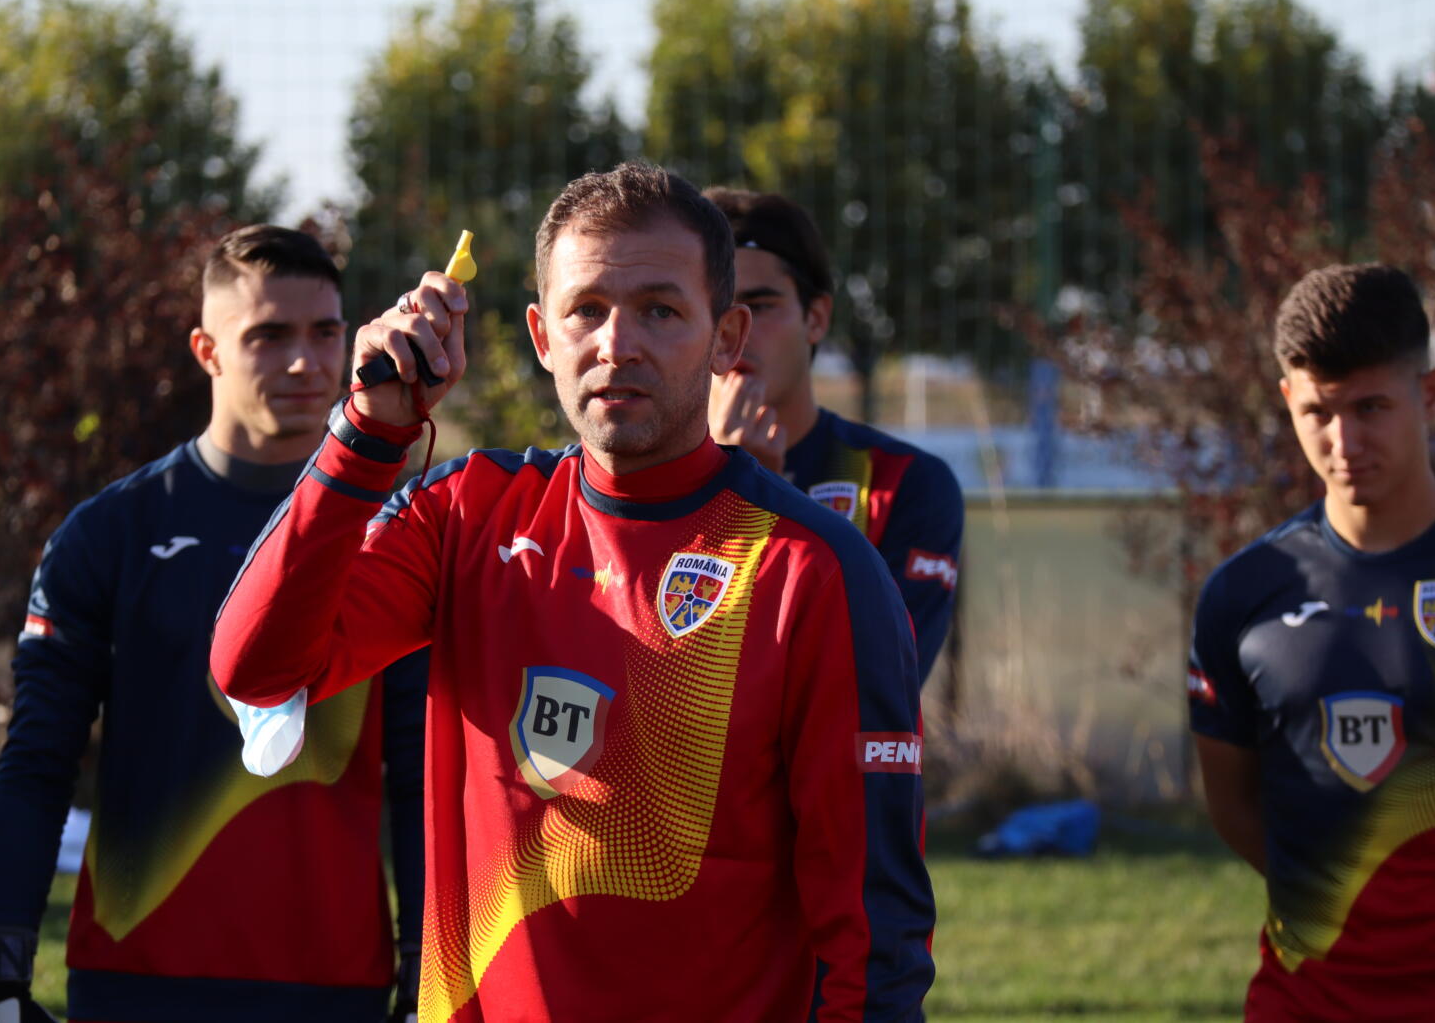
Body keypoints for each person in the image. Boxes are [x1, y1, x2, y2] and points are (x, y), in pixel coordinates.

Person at [211, 162, 935, 1022]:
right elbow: (256, 667)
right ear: (542, 335)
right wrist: (366, 434)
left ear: (726, 338)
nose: (616, 343)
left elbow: (874, 935)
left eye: (660, 311)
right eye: (586, 309)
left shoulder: (813, 570)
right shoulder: (464, 513)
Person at [0, 226, 426, 1023]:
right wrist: (1, 976)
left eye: (325, 332)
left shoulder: (395, 534)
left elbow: (419, 775)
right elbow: (39, 761)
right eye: (268, 335)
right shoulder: (109, 532)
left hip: (333, 986)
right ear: (207, 350)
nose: (304, 362)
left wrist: (425, 969)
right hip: (136, 978)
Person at [1188, 263, 1435, 1019]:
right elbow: (1235, 806)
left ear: (1431, 394)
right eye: (1319, 410)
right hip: (1306, 1001)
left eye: (1371, 407)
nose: (1343, 441)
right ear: (1287, 399)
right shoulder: (1243, 595)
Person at [703, 189, 962, 684]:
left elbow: (878, 685)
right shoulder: (632, 476)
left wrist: (761, 506)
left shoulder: (905, 483)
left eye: (760, 305)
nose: (735, 332)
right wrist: (714, 491)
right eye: (714, 310)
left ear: (816, 317)